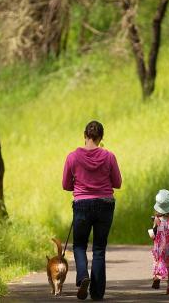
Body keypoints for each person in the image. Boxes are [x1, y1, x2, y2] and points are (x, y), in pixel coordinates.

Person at [62, 121, 122, 301]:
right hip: (105, 204)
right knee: (98, 249)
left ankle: (82, 276)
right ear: (101, 137)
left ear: (84, 135)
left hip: (82, 205)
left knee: (79, 245)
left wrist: (80, 184)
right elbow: (117, 183)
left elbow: (65, 185)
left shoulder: (72, 157)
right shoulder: (109, 156)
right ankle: (97, 293)